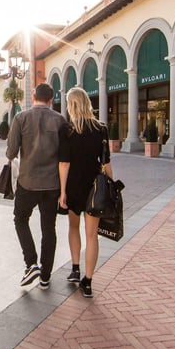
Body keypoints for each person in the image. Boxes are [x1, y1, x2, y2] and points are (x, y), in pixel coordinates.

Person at [5, 83, 68, 290]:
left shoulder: (20, 118)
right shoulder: (60, 120)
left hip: (28, 182)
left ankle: (31, 263)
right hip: (52, 184)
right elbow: (65, 156)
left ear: (34, 97)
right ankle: (45, 277)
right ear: (51, 100)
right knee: (48, 228)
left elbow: (11, 152)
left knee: (20, 219)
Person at [58, 87, 114, 298]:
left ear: (71, 105)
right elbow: (106, 162)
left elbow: (64, 163)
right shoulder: (101, 128)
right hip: (95, 186)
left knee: (73, 226)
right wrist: (111, 185)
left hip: (73, 185)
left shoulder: (67, 130)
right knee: (92, 236)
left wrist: (62, 191)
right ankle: (88, 282)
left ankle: (75, 268)